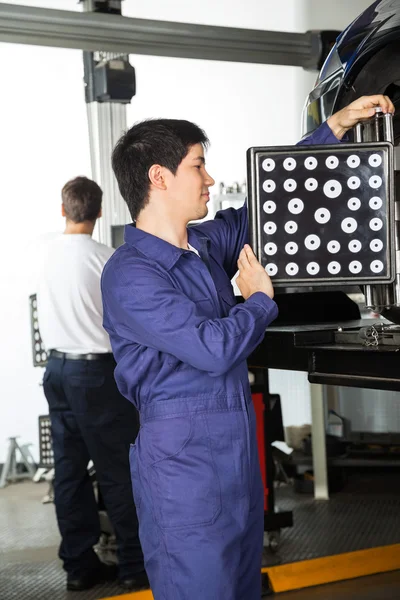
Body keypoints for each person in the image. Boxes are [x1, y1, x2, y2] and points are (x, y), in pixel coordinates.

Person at [101, 95, 394, 600]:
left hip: (233, 453)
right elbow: (213, 349)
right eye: (199, 166)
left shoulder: (202, 246)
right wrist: (258, 300)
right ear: (159, 177)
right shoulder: (131, 275)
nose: (210, 179)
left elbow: (269, 200)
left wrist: (334, 128)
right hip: (183, 468)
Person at [36, 176, 149, 592]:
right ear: (100, 212)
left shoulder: (43, 252)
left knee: (68, 473)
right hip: (97, 375)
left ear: (63, 210)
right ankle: (135, 566)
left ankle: (79, 567)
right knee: (117, 470)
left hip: (57, 372)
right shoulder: (107, 258)